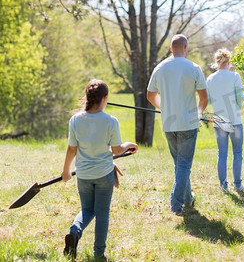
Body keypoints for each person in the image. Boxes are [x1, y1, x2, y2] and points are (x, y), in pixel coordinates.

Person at [62, 79, 138, 260]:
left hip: (84, 174)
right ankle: (98, 253)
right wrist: (130, 145)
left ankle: (75, 231)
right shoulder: (110, 121)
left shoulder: (75, 120)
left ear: (87, 97)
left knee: (87, 209)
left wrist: (66, 170)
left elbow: (72, 148)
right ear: (105, 98)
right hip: (104, 174)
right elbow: (117, 150)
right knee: (102, 213)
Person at [147, 34, 208, 215]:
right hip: (188, 122)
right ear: (185, 48)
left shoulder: (160, 68)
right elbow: (204, 97)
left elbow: (150, 95)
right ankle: (176, 203)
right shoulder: (193, 67)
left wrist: (163, 107)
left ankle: (188, 198)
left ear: (171, 48)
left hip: (168, 122)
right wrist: (198, 114)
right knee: (184, 164)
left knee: (180, 163)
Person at [206, 48, 244, 193]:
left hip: (218, 120)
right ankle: (237, 184)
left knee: (222, 153)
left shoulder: (210, 79)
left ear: (216, 62)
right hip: (234, 120)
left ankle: (223, 185)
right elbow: (239, 99)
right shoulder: (235, 76)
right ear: (228, 61)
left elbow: (209, 99)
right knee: (237, 153)